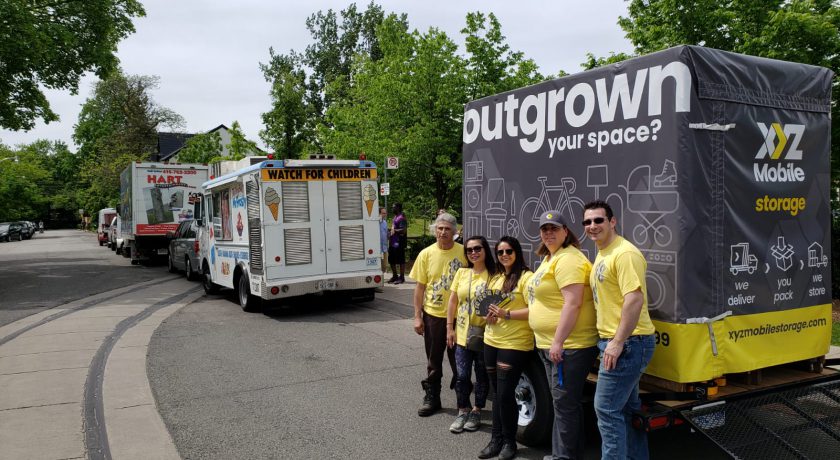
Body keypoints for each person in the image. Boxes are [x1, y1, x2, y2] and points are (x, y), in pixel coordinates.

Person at [583, 200, 656, 460]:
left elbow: (634, 299)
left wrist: (617, 341)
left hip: (627, 344)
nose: (592, 226)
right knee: (626, 410)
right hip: (622, 342)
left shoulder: (624, 254)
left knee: (606, 410)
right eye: (587, 222)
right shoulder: (604, 253)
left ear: (612, 222)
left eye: (598, 220)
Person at [527, 211, 599, 460]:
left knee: (564, 405)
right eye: (544, 229)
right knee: (565, 404)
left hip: (569, 346)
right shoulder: (551, 258)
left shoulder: (568, 259)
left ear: (565, 232)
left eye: (554, 229)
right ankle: (568, 454)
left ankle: (563, 457)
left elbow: (573, 303)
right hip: (553, 345)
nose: (549, 233)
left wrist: (558, 341)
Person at [479, 236, 534, 460]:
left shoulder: (527, 278)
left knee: (504, 395)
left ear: (517, 252)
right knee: (496, 393)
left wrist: (507, 314)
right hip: (491, 340)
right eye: (500, 252)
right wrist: (488, 316)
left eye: (508, 251)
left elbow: (535, 309)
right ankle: (496, 440)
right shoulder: (496, 277)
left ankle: (509, 442)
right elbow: (486, 306)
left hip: (515, 343)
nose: (504, 256)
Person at [409, 213, 467, 416]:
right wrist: (417, 316)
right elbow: (420, 288)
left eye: (447, 229)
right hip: (433, 315)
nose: (443, 232)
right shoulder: (426, 254)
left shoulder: (464, 252)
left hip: (460, 317)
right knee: (434, 360)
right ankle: (432, 398)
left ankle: (464, 401)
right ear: (435, 230)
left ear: (455, 232)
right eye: (440, 228)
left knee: (459, 360)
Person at [445, 236, 496, 434]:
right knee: (462, 375)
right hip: (462, 333)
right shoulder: (462, 272)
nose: (473, 253)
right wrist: (450, 328)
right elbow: (452, 302)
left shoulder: (494, 275)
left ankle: (476, 410)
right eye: (469, 250)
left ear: (485, 250)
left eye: (477, 249)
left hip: (484, 334)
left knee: (482, 375)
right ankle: (462, 409)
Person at [388, 203, 408, 284]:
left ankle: (402, 277)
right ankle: (395, 276)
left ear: (398, 208)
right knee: (392, 260)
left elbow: (403, 230)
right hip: (393, 242)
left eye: (393, 207)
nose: (392, 209)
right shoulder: (395, 217)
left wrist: (394, 230)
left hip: (399, 242)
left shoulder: (402, 218)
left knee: (400, 260)